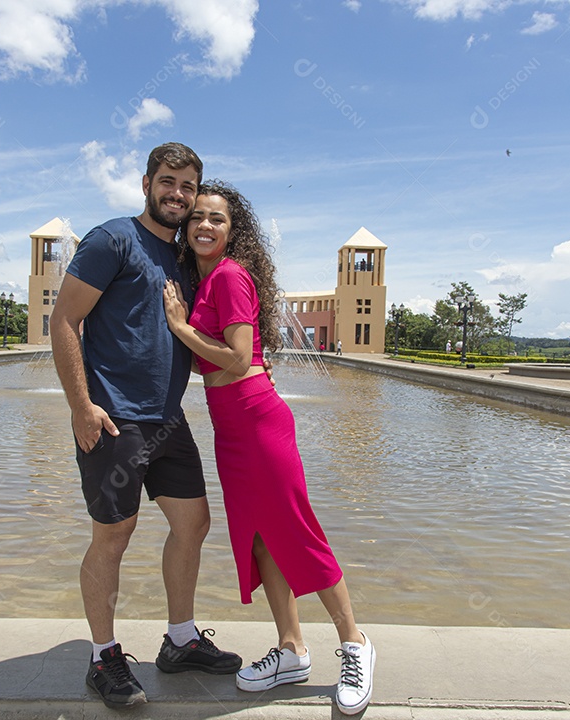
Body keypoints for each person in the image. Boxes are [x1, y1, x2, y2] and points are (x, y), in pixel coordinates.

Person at [162, 180, 375, 715]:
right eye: (198, 218)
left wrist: (179, 327)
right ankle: (291, 649)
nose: (206, 225)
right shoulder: (205, 281)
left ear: (234, 233)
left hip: (258, 422)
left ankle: (355, 644)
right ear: (186, 229)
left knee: (296, 532)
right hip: (231, 429)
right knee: (260, 540)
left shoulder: (231, 276)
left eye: (218, 219)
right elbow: (209, 363)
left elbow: (234, 359)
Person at [49, 143, 242, 710]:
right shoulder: (112, 240)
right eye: (168, 182)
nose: (177, 194)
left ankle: (179, 640)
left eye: (187, 185)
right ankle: (103, 656)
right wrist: (81, 407)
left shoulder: (186, 258)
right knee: (114, 534)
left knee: (194, 523)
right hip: (113, 418)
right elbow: (65, 319)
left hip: (167, 418)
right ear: (146, 183)